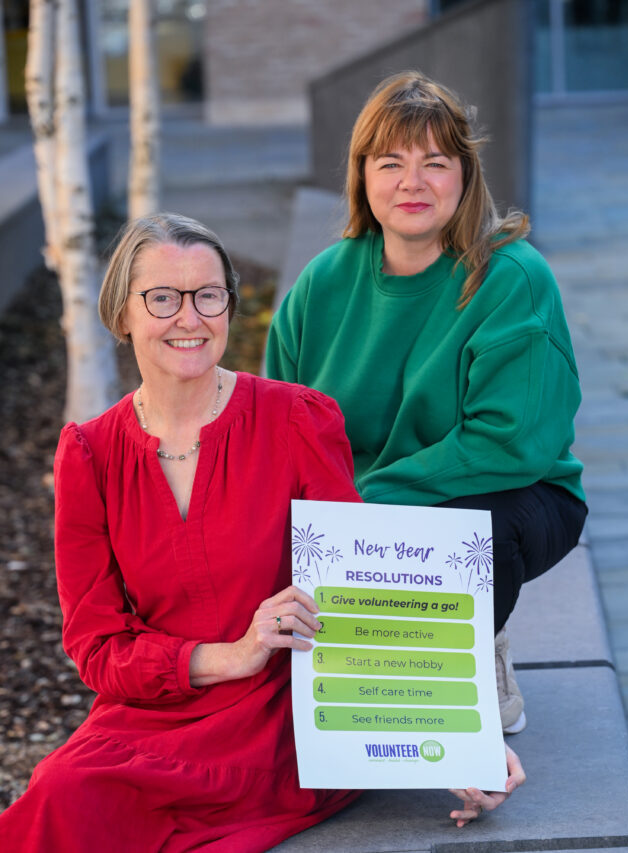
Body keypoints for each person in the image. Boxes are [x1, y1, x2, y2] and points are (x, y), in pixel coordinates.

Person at [0, 213, 524, 852]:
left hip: (287, 712)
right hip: (159, 710)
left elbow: (369, 594)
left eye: (208, 295)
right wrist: (228, 654)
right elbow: (97, 645)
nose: (189, 318)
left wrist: (457, 741)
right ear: (122, 314)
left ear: (229, 305)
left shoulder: (296, 420)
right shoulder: (90, 454)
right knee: (60, 792)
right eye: (162, 298)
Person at [266, 71, 588, 736]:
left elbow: (509, 442)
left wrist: (364, 499)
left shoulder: (513, 279)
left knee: (475, 532)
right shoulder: (324, 282)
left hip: (511, 494)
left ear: (464, 176)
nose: (412, 183)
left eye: (434, 163)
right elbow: (277, 424)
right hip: (357, 503)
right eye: (391, 163)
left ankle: (478, 648)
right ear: (364, 176)